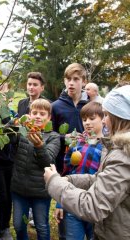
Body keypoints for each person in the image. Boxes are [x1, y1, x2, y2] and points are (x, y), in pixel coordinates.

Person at [44, 85, 130, 240]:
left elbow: (93, 206)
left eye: (107, 116)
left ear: (119, 118)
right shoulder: (116, 149)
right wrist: (68, 179)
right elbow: (100, 179)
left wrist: (54, 182)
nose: (104, 121)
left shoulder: (123, 157)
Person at [10, 98, 60, 240]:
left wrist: (39, 146)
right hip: (19, 188)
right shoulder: (22, 132)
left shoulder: (53, 137)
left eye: (42, 113)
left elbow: (48, 163)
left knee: (41, 226)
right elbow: (7, 135)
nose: (38, 116)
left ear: (49, 117)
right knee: (19, 225)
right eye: (35, 112)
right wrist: (15, 122)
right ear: (29, 114)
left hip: (40, 191)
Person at [56, 101, 104, 240]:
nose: (87, 122)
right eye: (84, 119)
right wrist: (60, 202)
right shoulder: (76, 143)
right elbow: (66, 173)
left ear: (103, 118)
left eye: (92, 118)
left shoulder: (108, 145)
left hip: (95, 205)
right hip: (73, 202)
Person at [51, 63, 88, 240]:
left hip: (88, 167)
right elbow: (49, 136)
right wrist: (65, 138)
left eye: (76, 79)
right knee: (64, 214)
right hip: (63, 167)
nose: (71, 83)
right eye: (68, 79)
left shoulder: (88, 107)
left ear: (84, 82)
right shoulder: (56, 106)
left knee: (86, 212)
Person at [0, 83, 15, 240]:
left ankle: (5, 226)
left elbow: (13, 137)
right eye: (1, 91)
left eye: (6, 91)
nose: (4, 95)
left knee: (10, 195)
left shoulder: (9, 112)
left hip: (10, 160)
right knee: (1, 196)